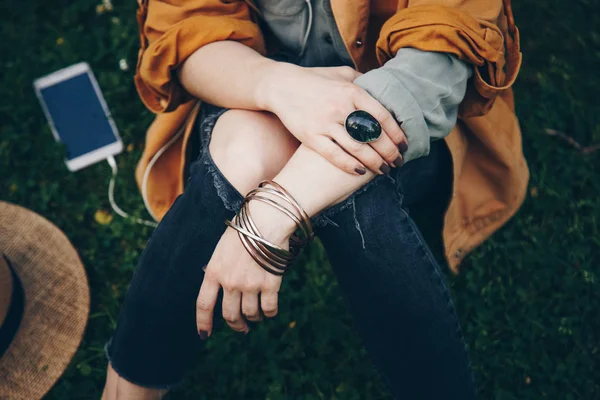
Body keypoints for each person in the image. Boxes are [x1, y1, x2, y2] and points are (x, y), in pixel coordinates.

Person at [102, 0, 528, 398]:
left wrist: (271, 213)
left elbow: (433, 64)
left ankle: (128, 387)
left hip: (407, 115)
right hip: (254, 90)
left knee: (356, 179)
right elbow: (186, 23)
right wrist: (281, 87)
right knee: (249, 145)